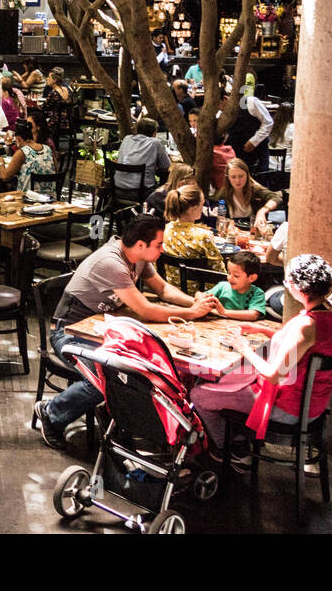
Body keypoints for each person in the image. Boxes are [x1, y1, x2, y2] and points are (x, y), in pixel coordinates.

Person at [34, 215, 218, 449]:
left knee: (140, 370)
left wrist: (194, 302)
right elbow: (145, 309)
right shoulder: (112, 262)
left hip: (102, 329)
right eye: (159, 245)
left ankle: (117, 419)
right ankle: (51, 413)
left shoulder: (138, 257)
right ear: (141, 244)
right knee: (103, 381)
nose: (163, 250)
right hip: (69, 332)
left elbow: (162, 288)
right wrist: (193, 313)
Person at [189, 254, 332, 451]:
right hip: (315, 405)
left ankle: (230, 450)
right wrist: (262, 330)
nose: (286, 284)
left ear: (298, 287)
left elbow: (274, 375)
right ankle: (237, 438)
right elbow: (304, 344)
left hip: (288, 409)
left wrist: (243, 347)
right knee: (229, 380)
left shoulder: (306, 325)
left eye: (287, 281)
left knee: (199, 394)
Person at [159, 182, 225, 283]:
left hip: (170, 287)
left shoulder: (164, 230)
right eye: (202, 205)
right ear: (194, 209)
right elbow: (219, 272)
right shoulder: (203, 236)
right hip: (201, 292)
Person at [212, 157, 281, 232]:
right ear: (228, 178)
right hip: (233, 233)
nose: (238, 180)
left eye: (241, 176)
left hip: (254, 231)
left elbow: (276, 198)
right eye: (233, 177)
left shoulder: (255, 189)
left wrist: (262, 211)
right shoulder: (223, 194)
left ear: (247, 175)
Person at [219, 87, 274, 174]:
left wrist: (254, 141)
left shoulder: (249, 102)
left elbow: (268, 122)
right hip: (237, 154)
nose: (219, 109)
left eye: (219, 104)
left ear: (225, 98)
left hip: (258, 150)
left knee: (260, 179)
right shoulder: (221, 113)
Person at [0, 119, 57, 194]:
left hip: (29, 198)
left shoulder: (22, 153)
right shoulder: (47, 149)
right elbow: (55, 171)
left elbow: (5, 177)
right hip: (50, 197)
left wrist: (1, 163)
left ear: (18, 139)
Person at [115, 117, 172, 192]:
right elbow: (166, 166)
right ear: (154, 133)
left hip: (117, 188)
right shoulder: (155, 143)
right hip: (141, 192)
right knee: (166, 176)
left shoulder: (127, 139)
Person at [206, 251, 267, 320]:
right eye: (229, 273)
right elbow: (203, 296)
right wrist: (199, 296)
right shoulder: (222, 286)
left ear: (251, 278)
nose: (230, 278)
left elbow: (253, 314)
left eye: (236, 276)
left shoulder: (256, 293)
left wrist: (224, 312)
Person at [39, 67, 76, 140]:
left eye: (49, 77)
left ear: (54, 80)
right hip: (70, 122)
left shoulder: (54, 93)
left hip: (56, 124)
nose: (47, 79)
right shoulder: (68, 90)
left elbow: (44, 108)